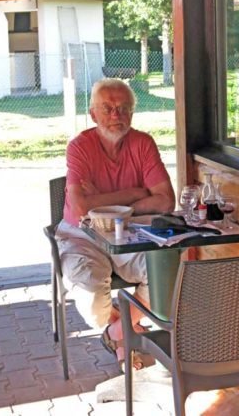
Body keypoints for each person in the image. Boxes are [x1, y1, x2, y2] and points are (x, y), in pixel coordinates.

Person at [55, 78, 175, 369]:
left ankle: (117, 333)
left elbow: (165, 200)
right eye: (107, 108)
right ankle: (123, 334)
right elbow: (82, 208)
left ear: (132, 114)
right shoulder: (80, 147)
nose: (115, 115)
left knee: (165, 272)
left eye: (123, 109)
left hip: (131, 234)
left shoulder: (143, 143)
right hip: (81, 235)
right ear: (94, 114)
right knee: (92, 292)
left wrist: (111, 205)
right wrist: (135, 194)